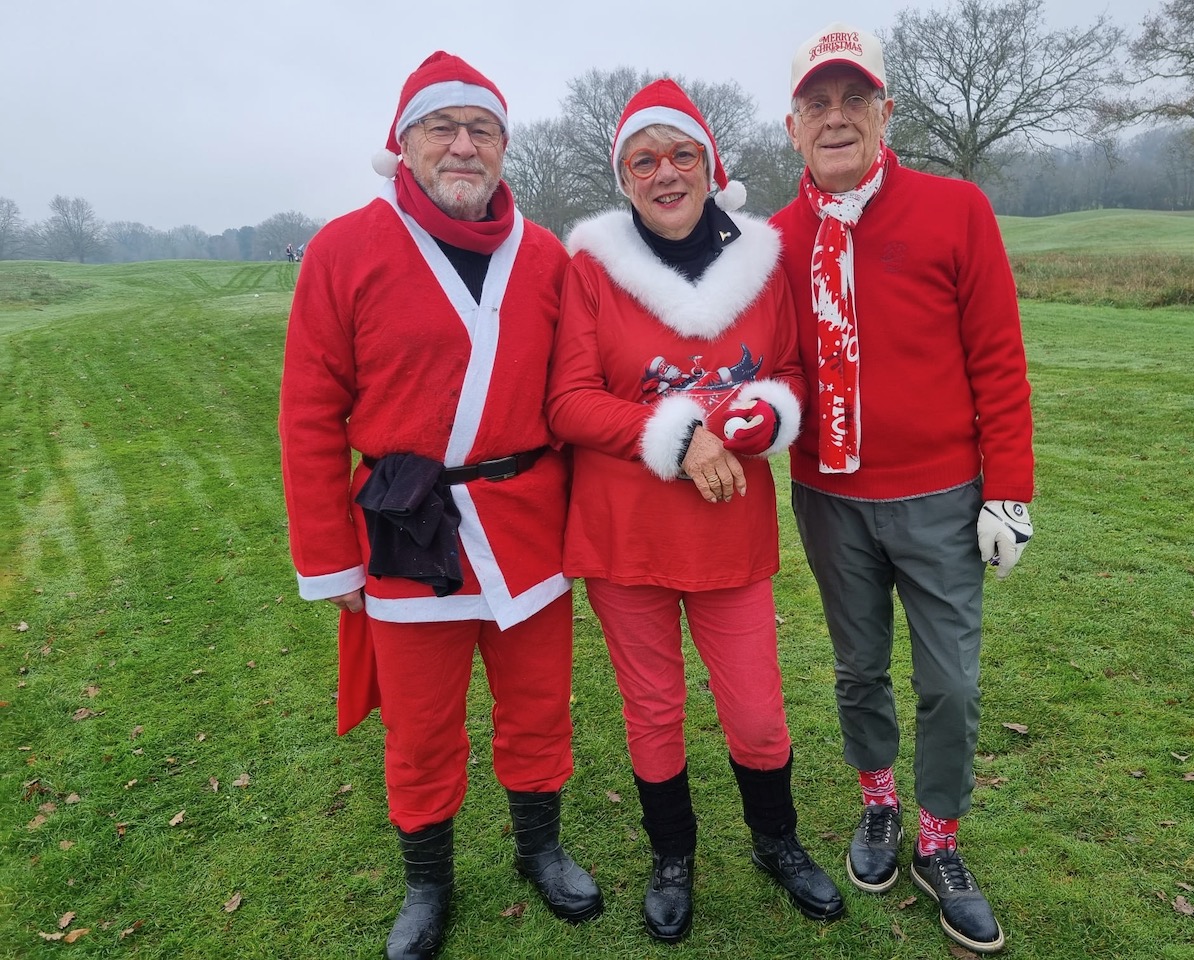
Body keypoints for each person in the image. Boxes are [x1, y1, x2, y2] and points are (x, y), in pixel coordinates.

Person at [278, 51, 603, 960]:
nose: (463, 146)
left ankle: (540, 850)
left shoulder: (544, 255)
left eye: (482, 130)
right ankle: (429, 882)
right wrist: (331, 561)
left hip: (528, 525)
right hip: (407, 530)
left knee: (539, 707)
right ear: (405, 142)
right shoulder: (344, 248)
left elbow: (576, 396)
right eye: (442, 128)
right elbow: (309, 414)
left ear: (503, 146)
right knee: (421, 728)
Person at [548, 78, 844, 943]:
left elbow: (788, 373)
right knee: (653, 709)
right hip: (626, 532)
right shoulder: (592, 269)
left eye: (682, 154)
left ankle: (777, 840)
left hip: (728, 526)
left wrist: (769, 415)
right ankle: (672, 856)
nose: (665, 173)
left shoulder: (761, 263)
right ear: (624, 178)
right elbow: (568, 400)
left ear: (711, 166)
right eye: (644, 161)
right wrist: (678, 437)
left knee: (756, 709)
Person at [770, 23, 1036, 955]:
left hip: (941, 496)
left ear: (885, 113)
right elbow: (768, 368)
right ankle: (879, 803)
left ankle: (940, 839)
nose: (836, 118)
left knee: (951, 683)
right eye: (817, 104)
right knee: (859, 669)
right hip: (830, 497)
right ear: (793, 127)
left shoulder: (956, 209)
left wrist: (1009, 489)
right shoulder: (775, 240)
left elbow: (998, 358)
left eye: (855, 100)